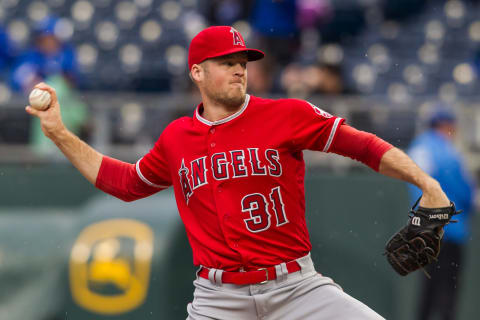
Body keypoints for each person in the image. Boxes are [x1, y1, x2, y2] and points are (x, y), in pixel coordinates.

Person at [26, 26, 452, 319]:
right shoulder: (176, 138)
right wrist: (60, 133)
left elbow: (363, 146)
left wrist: (426, 183)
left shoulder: (286, 114)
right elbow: (125, 183)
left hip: (295, 287)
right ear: (197, 72)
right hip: (217, 299)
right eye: (226, 61)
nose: (239, 68)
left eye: (243, 61)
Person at [407, 106, 475, 320]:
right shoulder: (448, 153)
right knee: (447, 289)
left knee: (428, 288)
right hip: (449, 230)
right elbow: (465, 192)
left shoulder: (417, 148)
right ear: (446, 126)